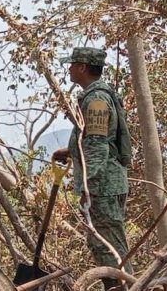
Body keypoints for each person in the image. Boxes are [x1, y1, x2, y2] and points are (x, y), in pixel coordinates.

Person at [53, 47, 132, 291]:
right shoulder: (95, 96)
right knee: (105, 246)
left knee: (111, 249)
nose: (68, 69)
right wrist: (71, 152)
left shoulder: (96, 100)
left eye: (72, 64)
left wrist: (88, 185)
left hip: (103, 185)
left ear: (82, 68)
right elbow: (95, 139)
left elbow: (98, 147)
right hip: (105, 182)